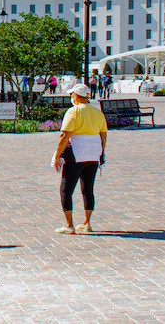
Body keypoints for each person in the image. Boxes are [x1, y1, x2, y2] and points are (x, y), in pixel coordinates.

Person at [52, 83, 107, 235]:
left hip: (77, 154)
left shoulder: (73, 111)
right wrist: (101, 151)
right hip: (93, 154)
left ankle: (69, 224)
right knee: (88, 189)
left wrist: (57, 155)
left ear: (75, 96)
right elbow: (103, 135)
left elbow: (65, 135)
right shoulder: (97, 113)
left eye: (72, 95)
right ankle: (86, 222)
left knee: (66, 190)